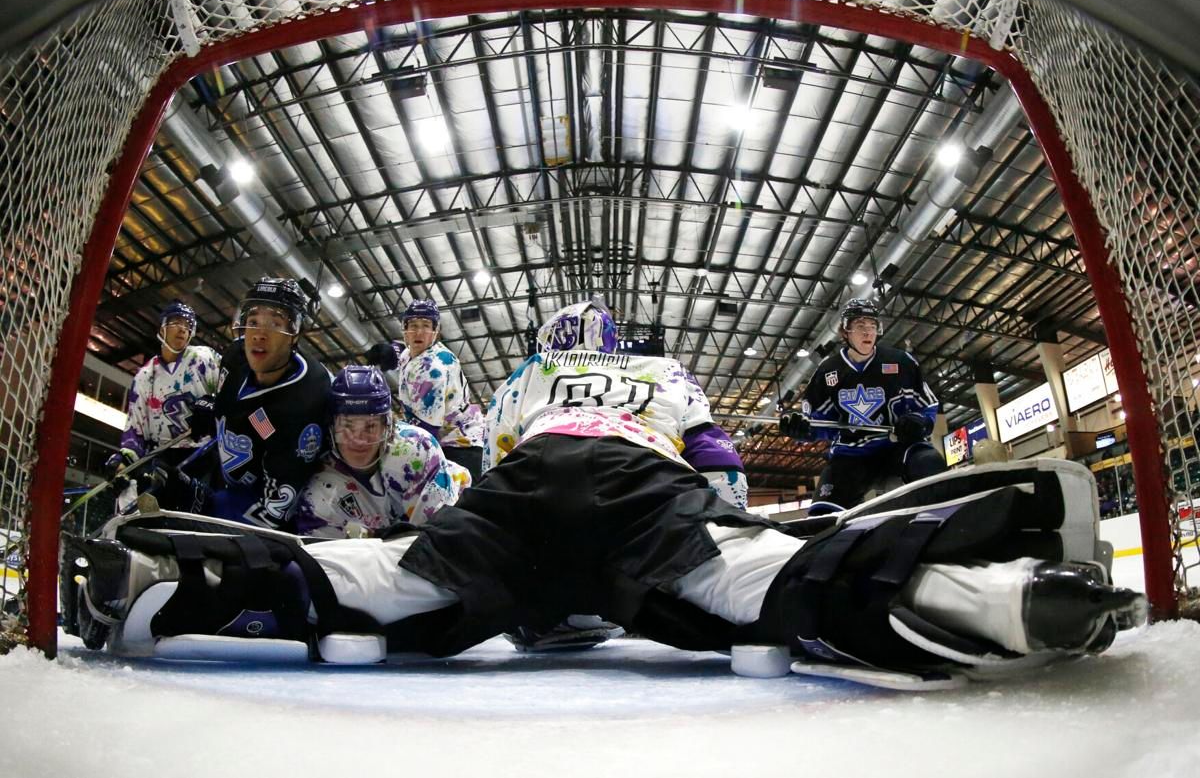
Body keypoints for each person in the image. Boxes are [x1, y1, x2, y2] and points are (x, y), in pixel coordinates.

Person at [63, 301, 1145, 690]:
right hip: (641, 493)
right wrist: (726, 506)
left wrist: (488, 523)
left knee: (373, 583)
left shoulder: (530, 380)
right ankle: (996, 590)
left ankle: (177, 576)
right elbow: (718, 457)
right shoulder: (660, 374)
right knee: (779, 585)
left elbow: (486, 466)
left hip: (534, 490)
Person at [152, 277, 331, 531]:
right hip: (229, 477)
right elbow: (249, 413)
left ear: (295, 334)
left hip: (263, 508)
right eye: (253, 321)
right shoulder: (235, 356)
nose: (259, 334)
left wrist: (206, 504)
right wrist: (214, 411)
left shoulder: (303, 400)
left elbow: (275, 515)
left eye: (275, 324)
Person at [779, 297, 946, 510]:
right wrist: (802, 429)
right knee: (823, 517)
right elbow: (817, 422)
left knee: (931, 466)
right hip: (850, 455)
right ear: (845, 332)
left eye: (872, 326)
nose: (868, 332)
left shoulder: (900, 362)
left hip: (898, 445)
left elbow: (927, 405)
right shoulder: (828, 370)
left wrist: (920, 422)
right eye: (860, 326)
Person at [294, 365, 470, 538]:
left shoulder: (418, 450)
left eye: (370, 426)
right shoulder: (317, 491)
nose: (358, 439)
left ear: (387, 426)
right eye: (347, 426)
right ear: (331, 428)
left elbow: (437, 538)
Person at [366, 299, 485, 482]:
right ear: (404, 329)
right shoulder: (416, 351)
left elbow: (426, 432)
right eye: (413, 325)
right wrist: (388, 350)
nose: (419, 332)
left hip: (460, 447)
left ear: (435, 331)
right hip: (455, 438)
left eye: (426, 326)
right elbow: (401, 353)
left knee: (454, 504)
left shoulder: (432, 371)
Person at [106, 300, 220, 478]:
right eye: (176, 322)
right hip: (163, 458)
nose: (182, 328)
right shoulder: (144, 376)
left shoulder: (204, 358)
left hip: (205, 452)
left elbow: (233, 389)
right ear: (162, 330)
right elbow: (136, 431)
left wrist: (214, 405)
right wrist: (124, 463)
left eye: (187, 325)